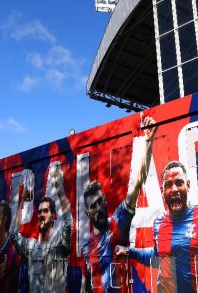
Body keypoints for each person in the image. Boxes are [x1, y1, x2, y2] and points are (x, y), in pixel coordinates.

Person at [117, 161, 198, 293]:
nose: (174, 189)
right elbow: (158, 256)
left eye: (179, 183)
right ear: (163, 191)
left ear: (188, 185)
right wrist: (129, 252)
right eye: (168, 185)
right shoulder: (159, 222)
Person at [80, 114, 156, 292]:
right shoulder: (86, 247)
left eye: (99, 202)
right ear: (87, 213)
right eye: (93, 206)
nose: (98, 208)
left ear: (105, 202)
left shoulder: (118, 222)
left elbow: (137, 181)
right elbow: (86, 285)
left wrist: (148, 142)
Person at [11, 165, 73, 293]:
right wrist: (22, 201)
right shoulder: (30, 247)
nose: (41, 215)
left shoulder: (60, 244)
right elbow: (13, 234)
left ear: (53, 216)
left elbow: (68, 223)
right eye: (39, 212)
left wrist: (60, 191)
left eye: (45, 211)